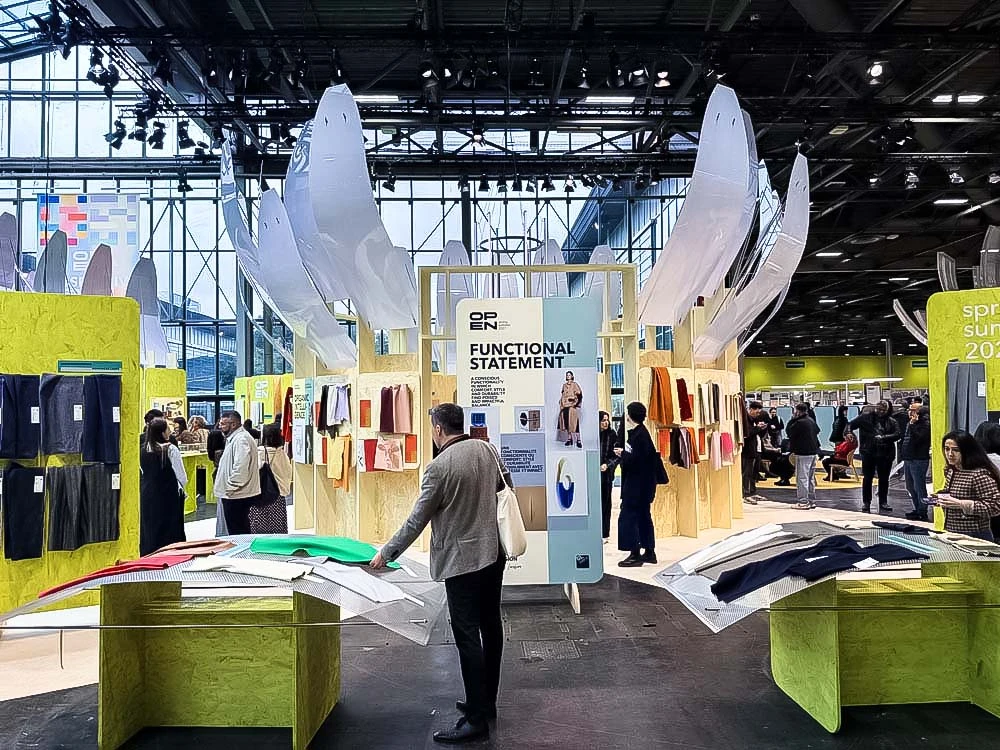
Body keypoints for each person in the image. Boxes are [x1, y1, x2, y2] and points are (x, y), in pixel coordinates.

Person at [372, 404, 511, 745]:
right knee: (491, 626)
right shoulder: (488, 450)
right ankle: (485, 702)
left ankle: (476, 720)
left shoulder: (439, 467)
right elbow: (506, 487)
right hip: (493, 554)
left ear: (438, 429)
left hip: (462, 563)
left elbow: (416, 520)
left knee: (467, 635)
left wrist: (386, 552)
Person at [614, 402, 667, 567]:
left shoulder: (639, 436)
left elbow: (638, 461)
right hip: (643, 486)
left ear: (630, 416)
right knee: (643, 517)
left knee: (630, 518)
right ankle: (649, 552)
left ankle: (635, 553)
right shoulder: (641, 433)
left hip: (637, 487)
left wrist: (623, 454)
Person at [933, 430, 1000, 540]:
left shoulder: (978, 475)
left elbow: (995, 506)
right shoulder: (951, 470)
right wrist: (941, 497)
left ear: (966, 451)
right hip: (952, 530)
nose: (950, 454)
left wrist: (961, 504)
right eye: (947, 449)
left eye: (956, 450)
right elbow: (956, 493)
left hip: (975, 535)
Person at [139, 417, 187, 555]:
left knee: (150, 525)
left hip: (148, 492)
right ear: (162, 432)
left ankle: (150, 553)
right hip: (168, 493)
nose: (170, 431)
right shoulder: (170, 449)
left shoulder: (143, 450)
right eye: (167, 428)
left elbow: (143, 471)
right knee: (171, 526)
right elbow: (181, 475)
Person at [847, 400, 899, 513]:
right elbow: (850, 424)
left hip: (885, 454)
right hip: (868, 452)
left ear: (887, 410)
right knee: (867, 478)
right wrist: (849, 432)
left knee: (884, 479)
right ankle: (866, 502)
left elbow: (897, 434)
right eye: (878, 409)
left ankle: (883, 501)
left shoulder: (892, 421)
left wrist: (884, 438)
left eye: (883, 410)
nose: (880, 412)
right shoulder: (865, 417)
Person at [214, 410, 261, 535]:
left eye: (223, 424)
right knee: (237, 529)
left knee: (238, 531)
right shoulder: (236, 438)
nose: (220, 426)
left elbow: (241, 466)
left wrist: (230, 487)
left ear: (233, 424)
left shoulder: (241, 439)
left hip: (237, 494)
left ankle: (240, 548)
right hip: (236, 493)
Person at [786, 402, 820, 510]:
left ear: (797, 411)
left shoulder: (799, 422)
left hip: (802, 452)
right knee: (810, 478)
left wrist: (792, 419)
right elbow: (817, 431)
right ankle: (812, 500)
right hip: (813, 452)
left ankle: (803, 501)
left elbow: (789, 432)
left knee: (802, 478)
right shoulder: (811, 421)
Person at [900, 405, 931, 521]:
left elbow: (919, 438)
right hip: (909, 458)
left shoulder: (925, 424)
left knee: (919, 486)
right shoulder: (911, 423)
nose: (910, 412)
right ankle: (917, 508)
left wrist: (912, 425)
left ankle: (922, 510)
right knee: (910, 486)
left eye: (913, 410)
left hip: (918, 459)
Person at [742, 401, 770, 505]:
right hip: (748, 451)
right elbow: (747, 433)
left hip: (756, 450)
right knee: (747, 473)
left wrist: (762, 428)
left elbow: (759, 435)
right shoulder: (746, 420)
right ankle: (746, 494)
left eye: (759, 412)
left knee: (754, 473)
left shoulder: (754, 421)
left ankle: (752, 492)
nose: (758, 414)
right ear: (751, 409)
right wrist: (758, 428)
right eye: (757, 412)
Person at [598, 410, 619, 542]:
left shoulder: (612, 435)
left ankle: (605, 534)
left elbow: (616, 456)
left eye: (607, 420)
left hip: (606, 476)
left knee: (606, 505)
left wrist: (608, 465)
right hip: (593, 475)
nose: (605, 423)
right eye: (603, 420)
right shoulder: (593, 435)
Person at [259, 423, 293, 498]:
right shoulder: (283, 454)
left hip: (264, 495)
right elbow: (288, 472)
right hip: (280, 496)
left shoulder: (261, 453)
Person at [556, 371, 583, 448]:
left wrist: (575, 403)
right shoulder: (564, 385)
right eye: (567, 375)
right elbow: (563, 395)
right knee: (567, 423)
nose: (568, 376)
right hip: (564, 406)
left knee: (575, 424)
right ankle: (569, 439)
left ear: (572, 376)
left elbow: (579, 395)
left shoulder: (575, 385)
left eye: (569, 375)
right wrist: (561, 403)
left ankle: (578, 440)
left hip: (571, 406)